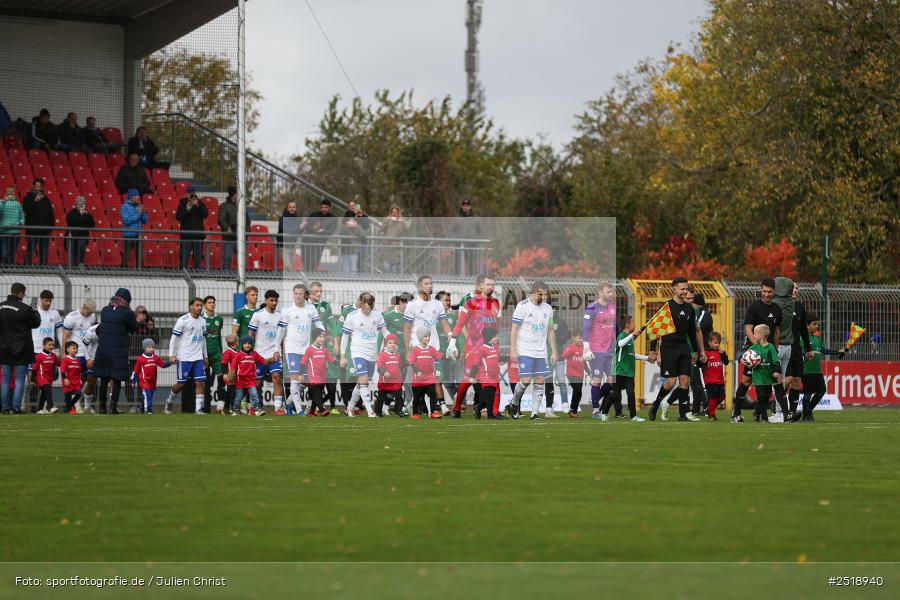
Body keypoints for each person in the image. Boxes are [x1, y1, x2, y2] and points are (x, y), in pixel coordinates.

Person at [647, 277, 707, 422]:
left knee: (685, 380)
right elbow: (656, 330)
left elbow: (692, 332)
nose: (685, 291)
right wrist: (653, 350)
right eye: (682, 289)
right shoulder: (666, 306)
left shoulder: (689, 309)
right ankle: (655, 405)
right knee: (670, 382)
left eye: (686, 288)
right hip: (668, 348)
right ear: (674, 289)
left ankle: (683, 414)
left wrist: (696, 351)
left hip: (683, 348)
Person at [449, 274, 501, 418]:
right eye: (488, 284)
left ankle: (494, 412)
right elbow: (460, 324)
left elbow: (496, 325)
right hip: (473, 348)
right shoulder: (471, 302)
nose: (491, 287)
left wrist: (497, 344)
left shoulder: (496, 303)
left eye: (493, 284)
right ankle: (457, 408)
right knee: (468, 379)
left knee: (493, 379)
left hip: (490, 348)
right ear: (481, 286)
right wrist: (452, 343)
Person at [731, 278, 782, 421]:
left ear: (774, 292)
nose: (766, 294)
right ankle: (736, 414)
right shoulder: (754, 307)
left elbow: (777, 331)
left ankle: (759, 413)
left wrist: (774, 350)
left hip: (769, 350)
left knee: (767, 383)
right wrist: (757, 350)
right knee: (746, 381)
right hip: (753, 352)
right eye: (764, 291)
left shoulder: (777, 309)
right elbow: (748, 329)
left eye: (770, 292)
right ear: (761, 290)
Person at [508, 281, 558, 420]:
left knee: (540, 380)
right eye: (540, 294)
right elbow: (514, 329)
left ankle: (534, 413)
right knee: (525, 380)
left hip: (541, 351)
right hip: (525, 349)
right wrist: (513, 349)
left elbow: (550, 331)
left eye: (545, 294)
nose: (543, 297)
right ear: (533, 292)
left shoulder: (548, 308)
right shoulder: (522, 306)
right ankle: (514, 403)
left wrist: (553, 351)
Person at [403, 275, 452, 415]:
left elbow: (444, 324)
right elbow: (406, 328)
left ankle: (434, 408)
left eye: (431, 283)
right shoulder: (412, 305)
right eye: (426, 283)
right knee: (420, 380)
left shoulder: (438, 304)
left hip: (434, 347)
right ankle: (420, 406)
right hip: (417, 348)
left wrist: (450, 337)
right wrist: (407, 351)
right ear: (420, 286)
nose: (429, 286)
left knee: (436, 377)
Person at [92, 288, 142, 414]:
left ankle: (102, 407)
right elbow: (133, 328)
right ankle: (113, 406)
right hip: (118, 350)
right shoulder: (127, 313)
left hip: (103, 348)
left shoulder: (105, 310)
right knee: (117, 378)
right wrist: (138, 320)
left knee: (104, 377)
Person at [339, 292, 387, 418]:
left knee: (361, 384)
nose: (368, 309)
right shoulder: (352, 316)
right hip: (357, 352)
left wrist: (392, 340)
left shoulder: (377, 315)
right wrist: (343, 356)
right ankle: (370, 411)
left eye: (370, 307)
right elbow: (344, 338)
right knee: (364, 381)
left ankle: (349, 408)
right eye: (365, 306)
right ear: (360, 303)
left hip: (371, 354)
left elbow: (385, 331)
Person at [280, 283, 322, 416]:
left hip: (306, 349)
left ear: (305, 295)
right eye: (295, 293)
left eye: (300, 294)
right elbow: (280, 331)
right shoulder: (287, 310)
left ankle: (288, 402)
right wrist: (277, 348)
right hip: (291, 348)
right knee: (294, 379)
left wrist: (323, 333)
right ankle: (299, 410)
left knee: (307, 380)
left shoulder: (311, 308)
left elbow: (318, 323)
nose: (297, 296)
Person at [600, 315, 652, 422]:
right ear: (627, 325)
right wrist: (632, 335)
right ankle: (604, 412)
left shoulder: (629, 339)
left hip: (629, 372)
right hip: (618, 371)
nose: (635, 325)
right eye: (633, 323)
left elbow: (632, 354)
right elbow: (620, 344)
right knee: (615, 394)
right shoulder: (622, 336)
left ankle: (633, 416)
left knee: (631, 394)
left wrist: (647, 358)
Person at [796, 315, 847, 422]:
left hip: (817, 371)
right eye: (814, 324)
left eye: (817, 324)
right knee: (807, 394)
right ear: (807, 326)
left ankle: (808, 412)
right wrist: (805, 354)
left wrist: (838, 351)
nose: (817, 326)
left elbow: (823, 350)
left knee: (821, 391)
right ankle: (806, 416)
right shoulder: (802, 338)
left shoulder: (817, 338)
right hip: (807, 371)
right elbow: (797, 351)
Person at [0, 283, 41, 414]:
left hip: (4, 348)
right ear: (21, 293)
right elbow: (36, 323)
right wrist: (34, 310)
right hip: (21, 348)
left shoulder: (0, 307)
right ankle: (16, 408)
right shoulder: (25, 308)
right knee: (19, 379)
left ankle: (5, 408)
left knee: (5, 379)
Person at [164, 298, 208, 415]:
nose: (199, 307)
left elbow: (203, 340)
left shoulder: (203, 321)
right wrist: (172, 355)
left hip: (198, 357)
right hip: (184, 358)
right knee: (181, 384)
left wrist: (205, 356)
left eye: (201, 305)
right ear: (191, 307)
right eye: (197, 305)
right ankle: (169, 400)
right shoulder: (183, 320)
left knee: (199, 382)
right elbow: (174, 338)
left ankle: (199, 409)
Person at [582, 281, 617, 418]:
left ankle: (595, 398)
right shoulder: (592, 308)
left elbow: (613, 328)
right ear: (600, 292)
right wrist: (586, 348)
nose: (611, 294)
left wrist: (615, 344)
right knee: (597, 379)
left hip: (609, 349)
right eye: (608, 291)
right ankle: (595, 410)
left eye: (611, 291)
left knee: (612, 381)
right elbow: (585, 328)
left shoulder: (613, 307)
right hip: (596, 349)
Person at [737, 324, 787, 423]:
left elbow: (775, 361)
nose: (753, 336)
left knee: (766, 397)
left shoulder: (770, 347)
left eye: (755, 334)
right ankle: (765, 419)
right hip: (758, 376)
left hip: (768, 376)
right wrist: (741, 360)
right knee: (761, 396)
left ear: (762, 335)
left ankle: (757, 413)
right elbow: (743, 356)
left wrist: (776, 371)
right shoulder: (754, 347)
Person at [248, 290, 285, 415]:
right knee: (257, 383)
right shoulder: (258, 315)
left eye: (276, 300)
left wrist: (283, 353)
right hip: (260, 355)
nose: (274, 303)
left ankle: (277, 408)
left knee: (277, 378)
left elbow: (282, 338)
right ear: (266, 300)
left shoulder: (281, 316)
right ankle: (254, 406)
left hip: (275, 354)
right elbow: (251, 334)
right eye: (271, 300)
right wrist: (249, 352)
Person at [62, 299, 97, 412]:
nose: (91, 314)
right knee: (75, 381)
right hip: (76, 354)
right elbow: (65, 336)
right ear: (84, 307)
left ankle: (87, 405)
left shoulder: (92, 317)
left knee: (91, 380)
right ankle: (75, 405)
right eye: (89, 312)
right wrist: (64, 353)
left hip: (89, 354)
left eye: (92, 312)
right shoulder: (72, 317)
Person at [466, 326, 502, 419]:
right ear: (489, 337)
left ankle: (478, 407)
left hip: (494, 377)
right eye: (494, 336)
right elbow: (475, 364)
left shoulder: (495, 347)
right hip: (485, 377)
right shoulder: (482, 349)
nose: (496, 338)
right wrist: (472, 376)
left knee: (491, 398)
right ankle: (490, 415)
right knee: (488, 397)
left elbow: (498, 359)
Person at [227, 336, 268, 416]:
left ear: (252, 345)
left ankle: (257, 410)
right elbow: (233, 366)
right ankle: (236, 410)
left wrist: (272, 360)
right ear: (242, 344)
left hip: (251, 380)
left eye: (249, 343)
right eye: (245, 343)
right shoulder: (239, 355)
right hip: (240, 379)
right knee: (239, 396)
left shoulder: (254, 354)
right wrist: (230, 378)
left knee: (254, 395)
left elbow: (264, 361)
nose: (247, 345)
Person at [408, 326, 443, 419]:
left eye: (428, 336)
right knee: (417, 397)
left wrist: (446, 354)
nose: (427, 338)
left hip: (429, 378)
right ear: (420, 337)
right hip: (418, 379)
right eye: (425, 336)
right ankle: (415, 413)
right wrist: (417, 371)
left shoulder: (431, 349)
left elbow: (438, 356)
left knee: (432, 394)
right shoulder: (415, 349)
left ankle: (433, 412)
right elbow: (411, 362)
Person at [301, 328, 335, 416]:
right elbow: (303, 362)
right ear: (314, 338)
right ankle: (322, 409)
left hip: (322, 377)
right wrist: (301, 374)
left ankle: (311, 412)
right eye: (320, 337)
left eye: (323, 337)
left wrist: (339, 363)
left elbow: (331, 360)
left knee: (314, 396)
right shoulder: (309, 350)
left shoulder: (325, 349)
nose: (322, 339)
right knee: (317, 395)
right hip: (313, 377)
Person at [131, 339, 171, 414]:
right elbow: (136, 371)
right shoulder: (141, 359)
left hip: (152, 380)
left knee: (149, 395)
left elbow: (162, 364)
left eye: (153, 347)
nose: (151, 348)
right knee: (148, 394)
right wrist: (133, 381)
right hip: (144, 380)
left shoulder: (156, 358)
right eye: (149, 347)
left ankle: (142, 408)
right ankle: (148, 410)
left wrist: (171, 362)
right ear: (144, 348)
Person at [22, 179, 54, 266]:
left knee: (44, 250)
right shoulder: (28, 198)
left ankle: (43, 267)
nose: (38, 188)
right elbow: (26, 209)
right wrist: (35, 200)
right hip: (32, 230)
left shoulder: (46, 200)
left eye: (40, 187)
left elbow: (51, 214)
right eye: (37, 186)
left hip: (44, 230)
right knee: (30, 249)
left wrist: (50, 227)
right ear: (33, 186)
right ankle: (27, 266)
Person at [202, 296, 225, 413]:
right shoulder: (201, 319)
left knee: (221, 378)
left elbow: (219, 335)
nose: (212, 304)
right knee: (206, 382)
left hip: (217, 354)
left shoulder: (219, 319)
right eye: (209, 303)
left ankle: (220, 405)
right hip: (205, 355)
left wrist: (221, 350)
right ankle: (206, 408)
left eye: (213, 303)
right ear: (204, 305)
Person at [299, 199, 337, 272]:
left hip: (319, 243)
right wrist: (314, 229)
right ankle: (306, 277)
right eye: (322, 207)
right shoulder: (314, 214)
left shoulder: (333, 218)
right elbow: (307, 225)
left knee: (314, 261)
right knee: (305, 260)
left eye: (326, 207)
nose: (324, 209)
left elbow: (331, 231)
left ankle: (311, 277)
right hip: (307, 242)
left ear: (329, 208)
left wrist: (323, 231)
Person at [175, 189, 208, 270]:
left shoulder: (199, 203)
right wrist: (186, 209)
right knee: (184, 255)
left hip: (198, 235)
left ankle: (197, 271)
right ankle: (183, 271)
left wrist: (198, 205)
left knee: (197, 256)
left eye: (193, 194)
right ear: (187, 194)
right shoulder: (182, 203)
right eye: (190, 194)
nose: (192, 195)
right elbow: (178, 217)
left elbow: (205, 214)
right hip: (186, 235)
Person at [375, 333, 405, 417]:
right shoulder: (382, 355)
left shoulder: (398, 354)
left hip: (396, 381)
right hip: (385, 381)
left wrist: (408, 363)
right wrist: (384, 372)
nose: (392, 345)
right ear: (386, 344)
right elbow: (379, 367)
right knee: (381, 398)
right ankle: (378, 412)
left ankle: (399, 412)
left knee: (399, 396)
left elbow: (400, 365)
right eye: (390, 343)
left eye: (394, 343)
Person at [701, 332, 729, 420]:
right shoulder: (706, 353)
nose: (717, 345)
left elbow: (726, 362)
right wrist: (702, 361)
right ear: (709, 342)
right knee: (713, 396)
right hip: (710, 380)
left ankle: (709, 408)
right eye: (715, 342)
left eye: (718, 343)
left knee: (722, 396)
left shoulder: (720, 353)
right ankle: (712, 415)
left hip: (720, 380)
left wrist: (724, 354)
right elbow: (700, 364)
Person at [452, 198, 482, 275]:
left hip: (472, 245)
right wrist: (456, 240)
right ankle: (457, 278)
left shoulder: (476, 218)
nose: (466, 207)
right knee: (458, 263)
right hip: (459, 245)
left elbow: (480, 231)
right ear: (462, 206)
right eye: (464, 205)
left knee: (472, 263)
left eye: (467, 205)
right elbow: (451, 230)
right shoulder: (457, 218)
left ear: (470, 207)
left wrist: (476, 240)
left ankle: (472, 279)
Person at [560, 332, 586, 417]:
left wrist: (589, 372)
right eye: (579, 338)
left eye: (581, 338)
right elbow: (562, 356)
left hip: (580, 375)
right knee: (577, 390)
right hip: (572, 374)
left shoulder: (583, 348)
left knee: (579, 393)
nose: (580, 340)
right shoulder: (570, 348)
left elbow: (584, 362)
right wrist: (555, 359)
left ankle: (573, 411)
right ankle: (572, 410)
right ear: (573, 338)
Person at [379, 204, 410, 274]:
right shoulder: (387, 220)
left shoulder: (401, 221)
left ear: (398, 213)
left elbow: (407, 229)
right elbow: (381, 230)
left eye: (396, 212)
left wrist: (401, 221)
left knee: (394, 269)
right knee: (386, 267)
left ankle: (393, 283)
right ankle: (387, 282)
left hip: (396, 248)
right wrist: (386, 220)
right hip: (386, 247)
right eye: (393, 212)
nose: (394, 213)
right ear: (391, 213)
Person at [120, 189, 148, 268]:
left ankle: (140, 271)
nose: (137, 197)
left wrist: (143, 213)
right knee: (126, 255)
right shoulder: (125, 207)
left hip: (138, 235)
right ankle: (123, 270)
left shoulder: (139, 206)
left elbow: (145, 221)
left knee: (139, 256)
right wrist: (138, 214)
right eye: (135, 195)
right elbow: (127, 220)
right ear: (130, 197)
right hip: (128, 235)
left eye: (138, 195)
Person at [341, 199, 369, 272]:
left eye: (353, 205)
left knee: (361, 262)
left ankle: (361, 277)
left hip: (362, 241)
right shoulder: (347, 214)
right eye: (350, 206)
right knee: (352, 265)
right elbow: (345, 222)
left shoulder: (362, 214)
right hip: (352, 243)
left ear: (356, 206)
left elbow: (366, 225)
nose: (352, 207)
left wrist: (361, 215)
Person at [32, 337, 59, 414]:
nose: (51, 347)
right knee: (47, 389)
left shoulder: (53, 355)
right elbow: (34, 368)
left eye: (52, 345)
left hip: (49, 378)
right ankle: (50, 407)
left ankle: (39, 409)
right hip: (41, 377)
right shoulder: (39, 356)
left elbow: (59, 364)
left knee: (44, 393)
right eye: (49, 345)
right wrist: (32, 379)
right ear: (44, 346)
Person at [66, 196, 95, 267]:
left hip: (83, 236)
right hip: (72, 236)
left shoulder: (87, 214)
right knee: (72, 252)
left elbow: (92, 224)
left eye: (82, 204)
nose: (80, 206)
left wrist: (85, 215)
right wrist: (79, 215)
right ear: (76, 205)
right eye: (79, 204)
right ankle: (71, 266)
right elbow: (71, 222)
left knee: (81, 249)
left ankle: (80, 264)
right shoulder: (72, 213)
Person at [0, 187, 24, 265]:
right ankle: (3, 266)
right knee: (4, 252)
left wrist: (20, 223)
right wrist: (3, 202)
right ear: (5, 194)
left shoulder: (18, 204)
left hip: (15, 232)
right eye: (9, 193)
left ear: (14, 194)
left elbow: (22, 216)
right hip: (4, 232)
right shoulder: (1, 203)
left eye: (12, 194)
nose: (10, 195)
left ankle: (10, 267)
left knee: (12, 252)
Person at [218, 186, 239, 270]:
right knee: (227, 258)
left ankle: (240, 276)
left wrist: (246, 231)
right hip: (229, 237)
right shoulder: (224, 206)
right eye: (236, 195)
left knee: (242, 260)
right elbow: (221, 219)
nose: (237, 197)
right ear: (232, 196)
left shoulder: (241, 206)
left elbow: (247, 221)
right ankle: (225, 274)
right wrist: (228, 228)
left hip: (240, 237)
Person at [61, 341, 83, 414]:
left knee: (79, 394)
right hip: (68, 381)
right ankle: (69, 410)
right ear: (67, 349)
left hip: (76, 381)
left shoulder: (77, 360)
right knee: (68, 395)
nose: (76, 350)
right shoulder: (65, 359)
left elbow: (79, 371)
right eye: (74, 348)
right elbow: (63, 370)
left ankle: (70, 405)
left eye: (77, 348)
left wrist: (80, 380)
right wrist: (65, 378)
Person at [221, 335, 240, 415]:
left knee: (229, 392)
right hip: (230, 377)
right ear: (236, 343)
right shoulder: (228, 352)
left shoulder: (237, 352)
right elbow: (223, 364)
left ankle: (225, 409)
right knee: (233, 393)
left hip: (236, 377)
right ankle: (233, 409)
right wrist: (225, 374)